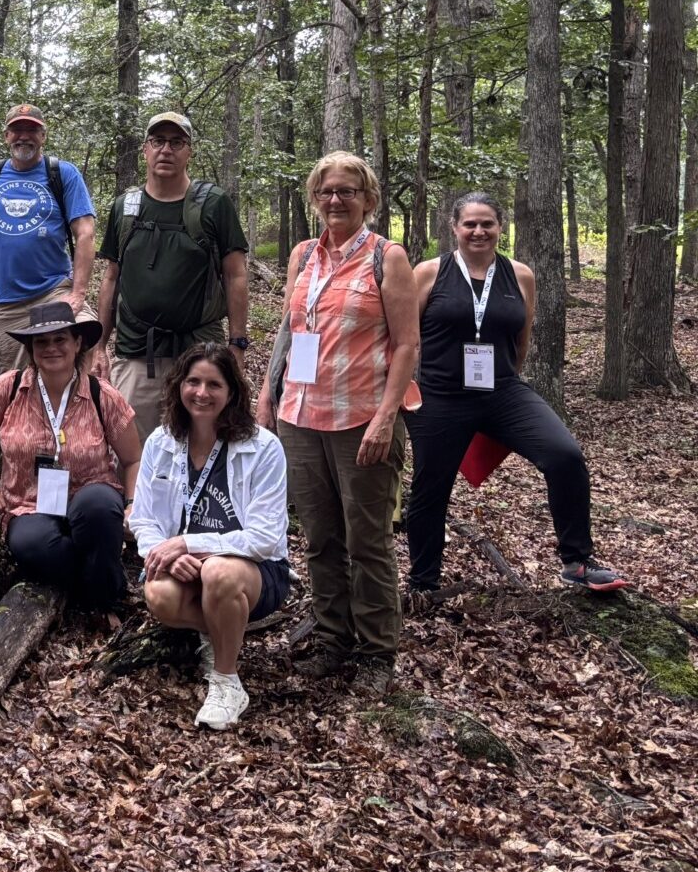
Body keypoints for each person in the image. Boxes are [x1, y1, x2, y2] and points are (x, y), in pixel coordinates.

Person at [404, 193, 629, 593]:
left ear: (500, 227)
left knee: (565, 456)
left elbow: (520, 342)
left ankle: (576, 561)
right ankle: (424, 582)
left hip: (503, 390)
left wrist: (504, 385)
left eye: (487, 223)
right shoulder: (428, 272)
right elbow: (406, 339)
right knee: (430, 485)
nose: (478, 231)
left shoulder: (520, 274)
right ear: (454, 227)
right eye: (470, 224)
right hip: (440, 394)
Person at [256, 151, 417, 694]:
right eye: (326, 190)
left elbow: (406, 345)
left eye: (347, 191)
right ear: (314, 197)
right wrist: (266, 396)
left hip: (362, 417)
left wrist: (385, 417)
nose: (335, 200)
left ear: (368, 199)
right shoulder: (303, 256)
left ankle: (377, 652)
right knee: (321, 537)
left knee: (367, 539)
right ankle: (332, 641)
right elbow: (288, 331)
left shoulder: (386, 258)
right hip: (301, 416)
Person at [130, 344, 291, 730]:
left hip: (253, 570)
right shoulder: (160, 442)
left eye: (214, 384)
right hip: (186, 566)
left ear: (232, 392)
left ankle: (226, 681)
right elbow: (144, 520)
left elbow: (265, 538)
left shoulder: (263, 448)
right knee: (159, 595)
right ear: (179, 386)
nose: (202, 393)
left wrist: (190, 544)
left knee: (217, 572)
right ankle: (217, 631)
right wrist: (165, 553)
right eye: (194, 382)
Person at [0, 302, 140, 613]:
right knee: (31, 545)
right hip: (29, 504)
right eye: (42, 342)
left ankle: (102, 598)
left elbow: (132, 459)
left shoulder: (101, 394)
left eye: (60, 339)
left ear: (77, 344)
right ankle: (99, 580)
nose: (51, 348)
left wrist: (131, 505)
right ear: (31, 348)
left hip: (90, 497)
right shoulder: (9, 388)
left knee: (100, 508)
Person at [95, 113, 250, 441]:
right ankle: (135, 497)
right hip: (136, 350)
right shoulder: (126, 207)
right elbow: (111, 277)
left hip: (199, 350)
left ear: (189, 151)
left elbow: (235, 274)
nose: (166, 149)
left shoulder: (213, 204)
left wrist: (237, 343)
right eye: (158, 141)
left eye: (177, 142)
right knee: (135, 448)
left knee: (202, 440)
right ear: (145, 149)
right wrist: (99, 346)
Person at [0, 103, 99, 372]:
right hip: (6, 303)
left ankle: (78, 410)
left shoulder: (62, 173)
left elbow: (85, 232)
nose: (24, 135)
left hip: (54, 292)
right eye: (17, 129)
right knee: (15, 387)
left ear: (43, 136)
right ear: (6, 136)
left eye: (32, 129)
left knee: (86, 339)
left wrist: (78, 292)